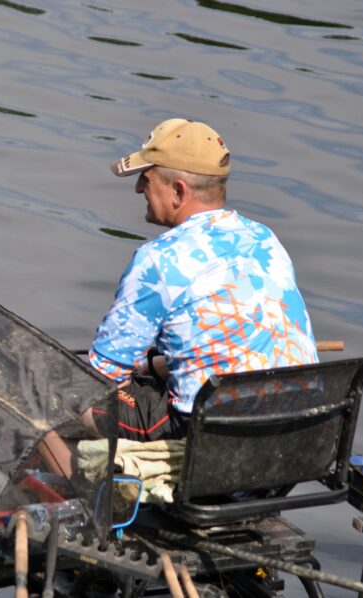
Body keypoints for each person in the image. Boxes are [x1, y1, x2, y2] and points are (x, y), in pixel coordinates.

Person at [88, 118, 319, 441]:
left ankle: (84, 487)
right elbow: (223, 348)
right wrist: (153, 367)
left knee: (65, 393)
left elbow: (103, 375)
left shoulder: (158, 260)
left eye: (145, 178)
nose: (139, 188)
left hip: (212, 440)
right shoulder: (265, 240)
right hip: (297, 434)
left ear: (178, 191)